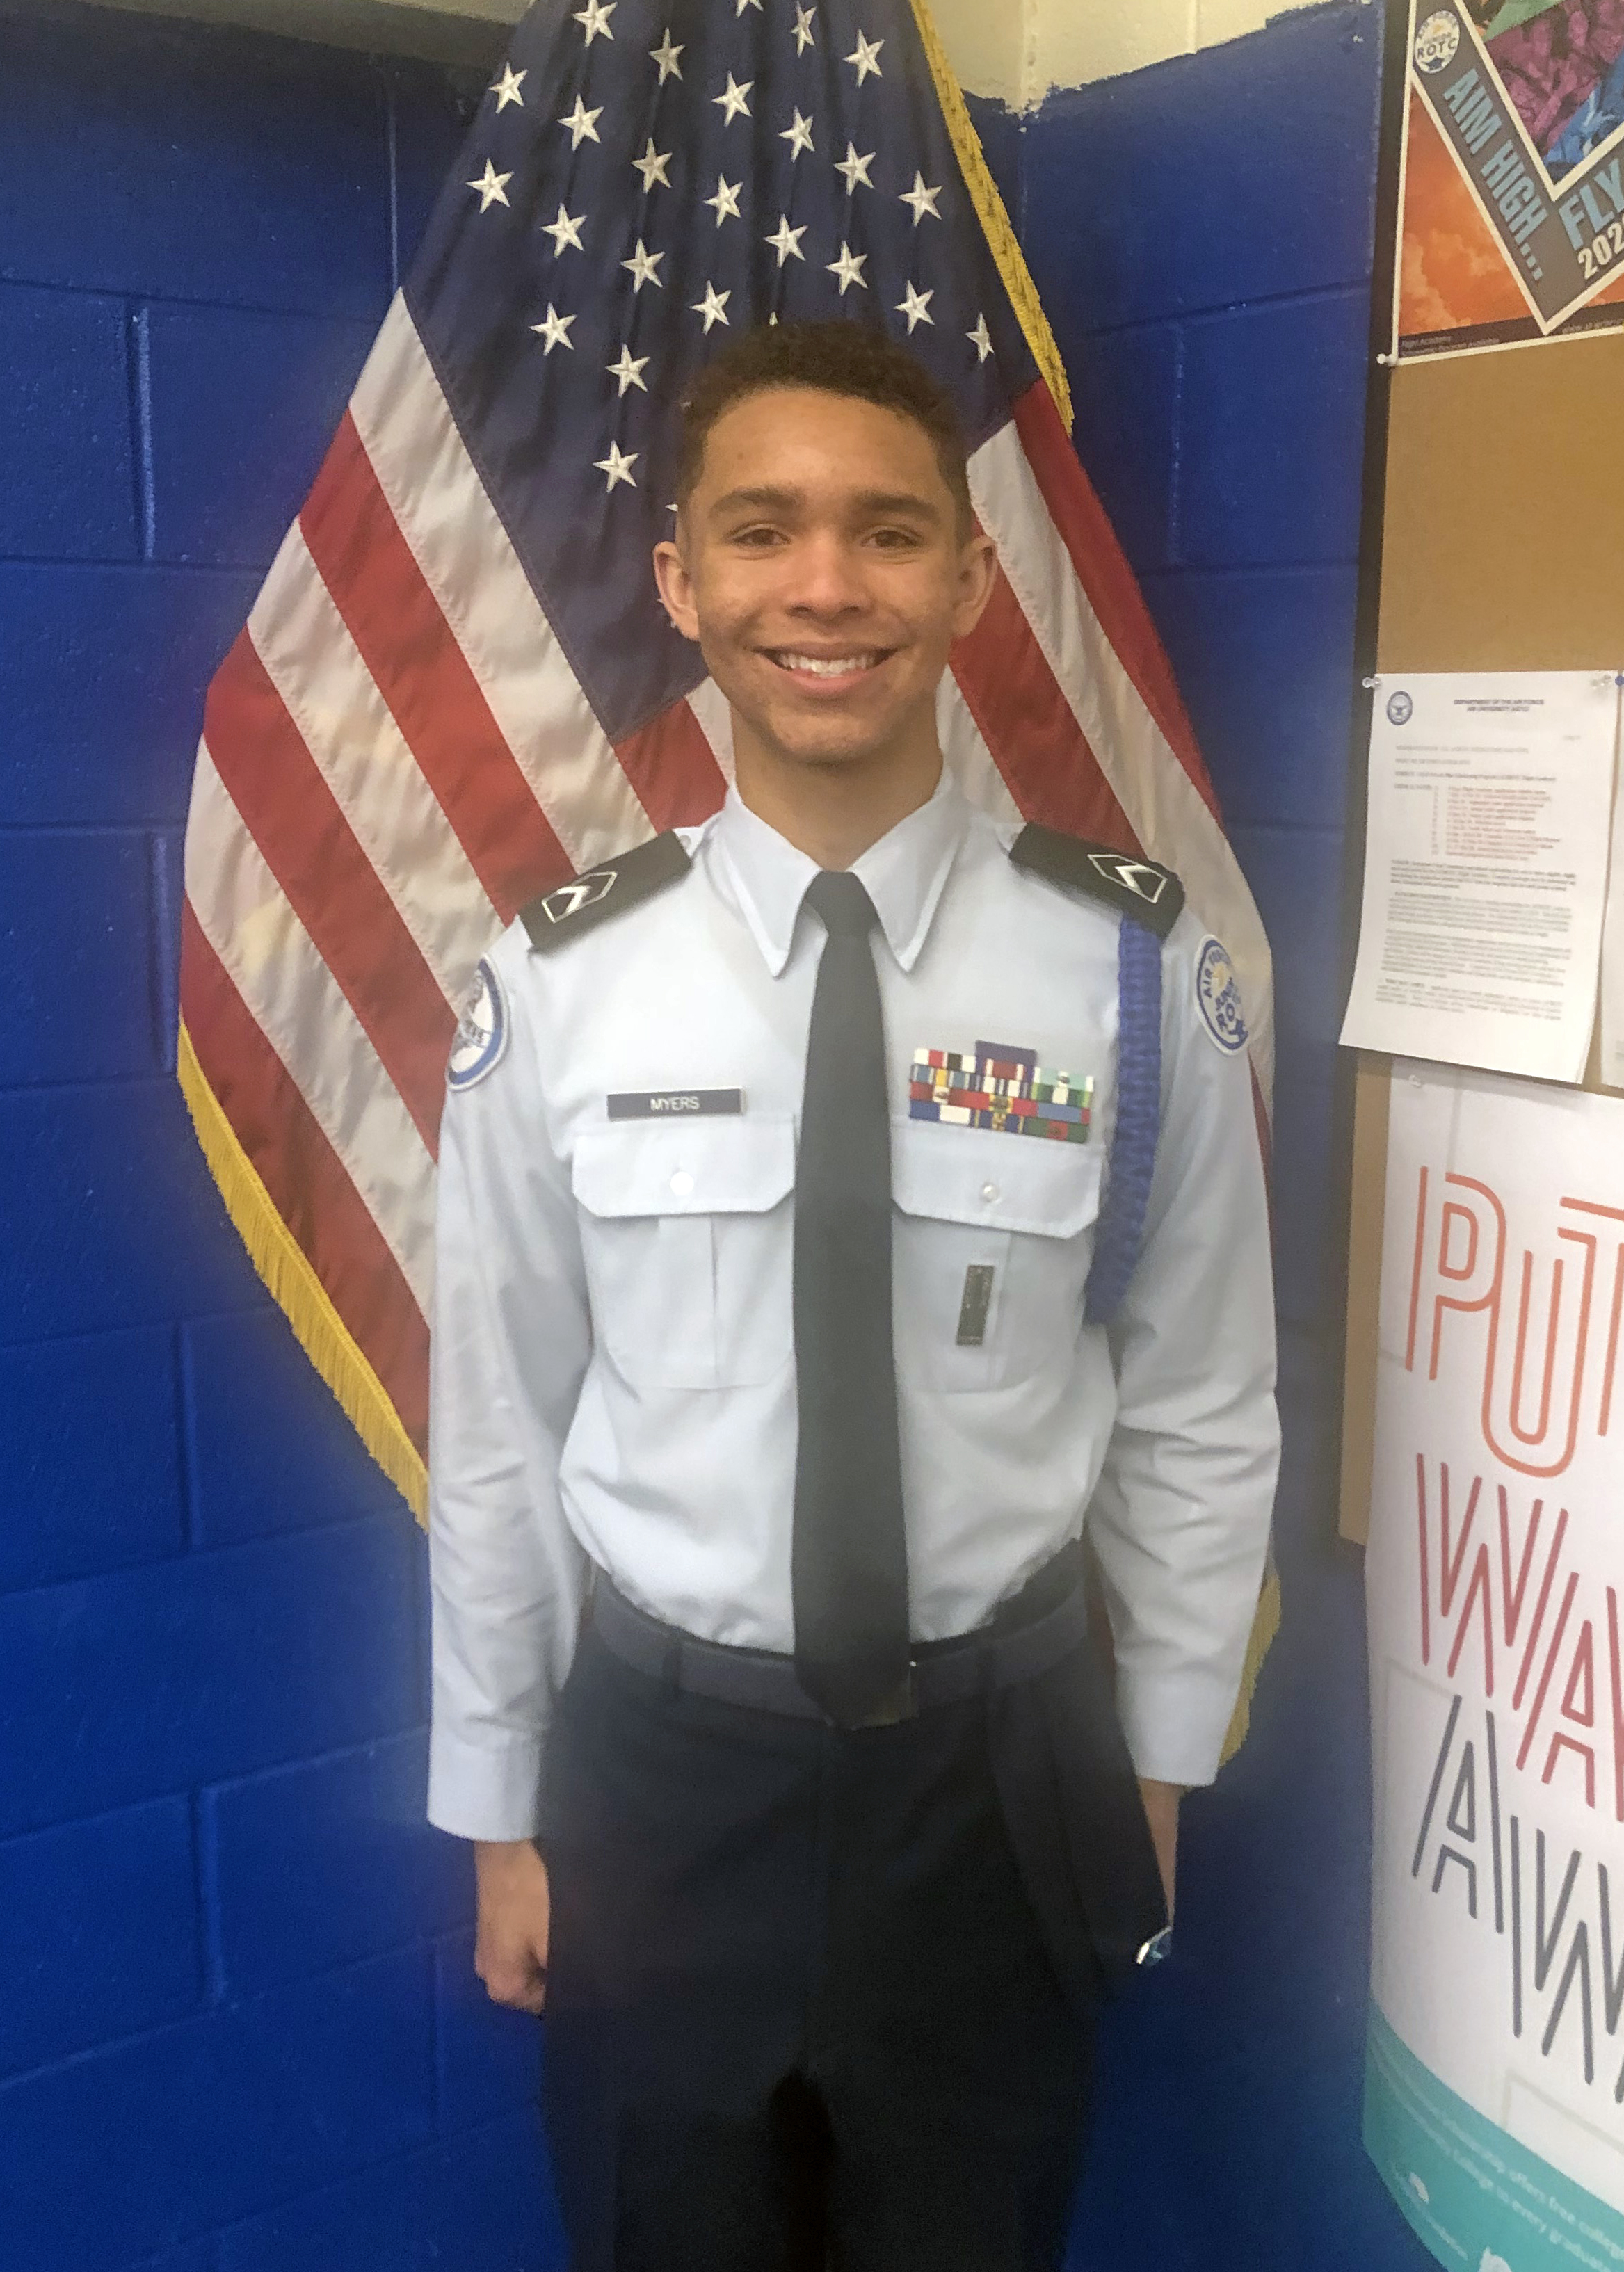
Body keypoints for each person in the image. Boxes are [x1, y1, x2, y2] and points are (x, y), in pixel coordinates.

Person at [426, 320, 1279, 2271]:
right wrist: (498, 1806)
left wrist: (1156, 1772)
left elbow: (1202, 1395)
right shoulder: (563, 986)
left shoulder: (1135, 974)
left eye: (890, 532)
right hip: (655, 1779)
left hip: (1006, 1779)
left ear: (970, 577)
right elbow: (500, 1421)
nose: (825, 586)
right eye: (763, 531)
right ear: (683, 583)